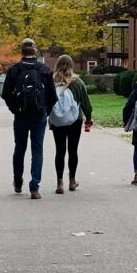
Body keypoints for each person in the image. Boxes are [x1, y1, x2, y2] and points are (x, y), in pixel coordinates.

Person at [1, 38, 57, 200]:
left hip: (21, 115)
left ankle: (18, 181)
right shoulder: (44, 69)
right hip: (39, 116)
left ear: (21, 51)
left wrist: (14, 109)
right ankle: (35, 187)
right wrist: (45, 111)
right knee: (37, 150)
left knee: (20, 148)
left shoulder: (14, 70)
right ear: (35, 50)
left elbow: (6, 94)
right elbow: (52, 96)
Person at [49, 54, 93, 194]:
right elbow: (86, 103)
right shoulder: (78, 82)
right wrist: (89, 118)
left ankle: (59, 182)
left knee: (59, 150)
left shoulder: (52, 81)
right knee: (73, 150)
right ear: (71, 65)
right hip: (74, 121)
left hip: (57, 121)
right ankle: (72, 180)